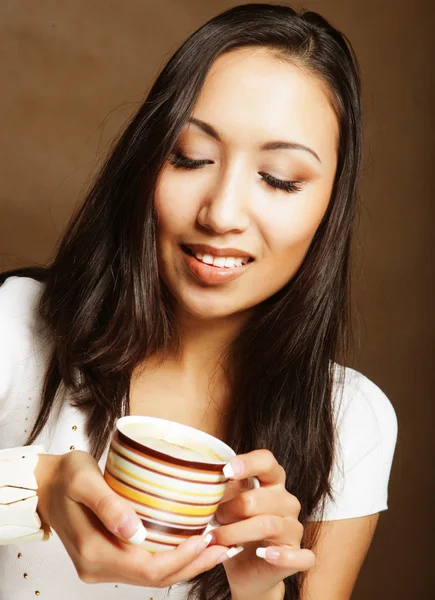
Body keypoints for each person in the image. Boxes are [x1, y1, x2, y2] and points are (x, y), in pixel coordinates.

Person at [0, 3, 398, 600]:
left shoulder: (349, 423)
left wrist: (259, 592)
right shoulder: (16, 329)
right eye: (189, 156)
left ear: (330, 207)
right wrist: (37, 485)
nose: (222, 213)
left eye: (280, 179)